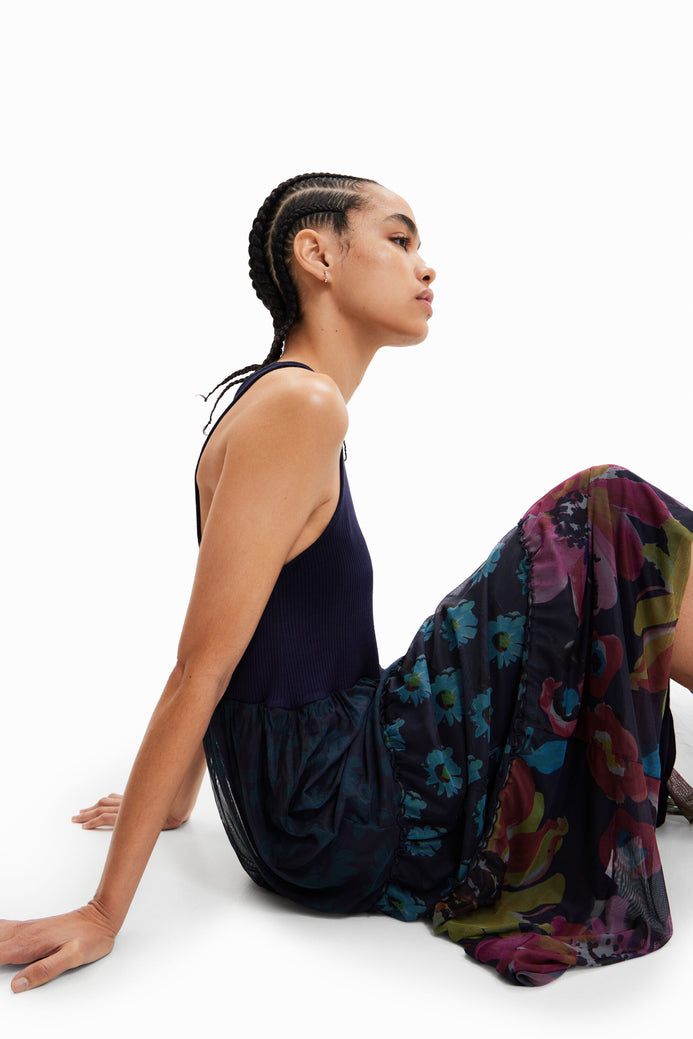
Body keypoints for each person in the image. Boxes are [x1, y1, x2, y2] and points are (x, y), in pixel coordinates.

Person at [2, 172, 693, 990]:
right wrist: (101, 911)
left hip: (316, 795)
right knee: (610, 505)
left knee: (610, 516)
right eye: (398, 240)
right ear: (318, 254)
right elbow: (202, 664)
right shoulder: (299, 406)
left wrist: (181, 801)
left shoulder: (276, 400)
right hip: (338, 808)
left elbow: (231, 630)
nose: (424, 266)